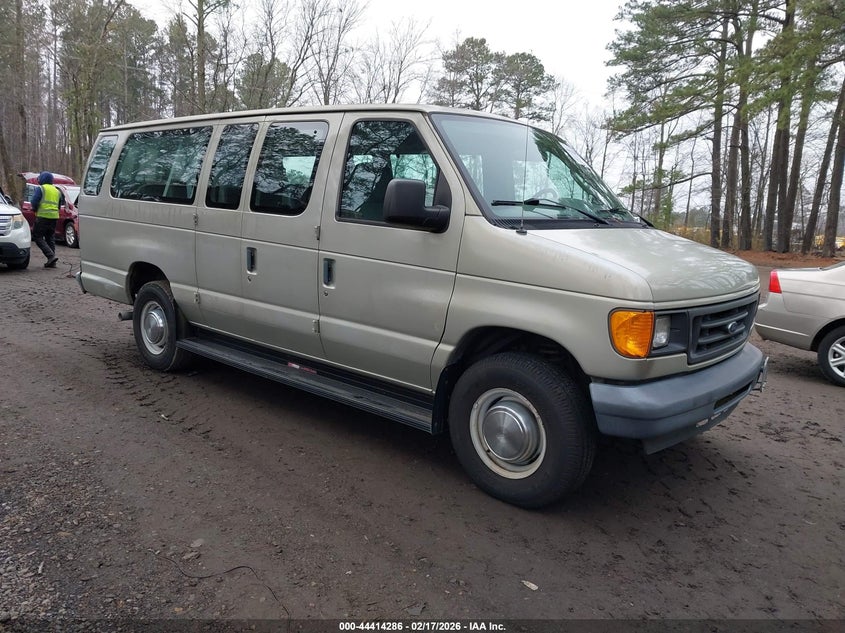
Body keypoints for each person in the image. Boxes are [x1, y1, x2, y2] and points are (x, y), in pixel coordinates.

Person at [30, 171, 65, 268]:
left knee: (37, 237)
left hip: (42, 216)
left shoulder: (41, 188)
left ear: (42, 179)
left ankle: (50, 256)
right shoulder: (57, 191)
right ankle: (52, 262)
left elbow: (34, 201)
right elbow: (59, 205)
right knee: (50, 238)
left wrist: (34, 209)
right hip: (54, 217)